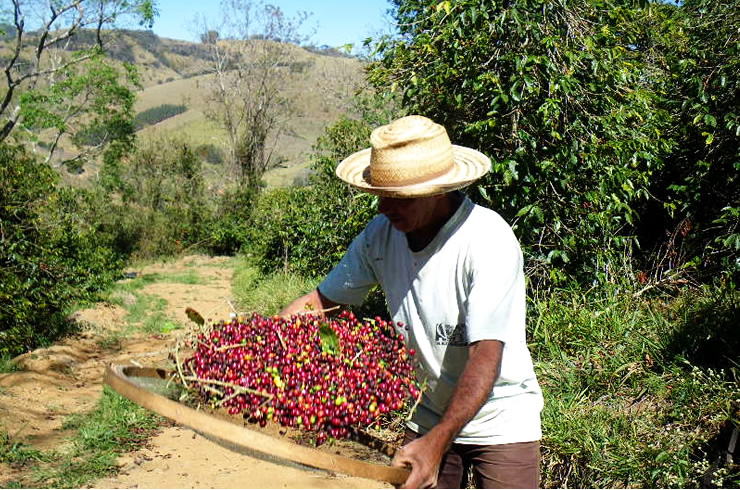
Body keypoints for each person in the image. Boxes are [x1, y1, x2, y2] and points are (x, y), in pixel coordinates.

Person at [279, 115, 543, 489]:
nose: (384, 207)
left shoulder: (487, 241)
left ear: (437, 190)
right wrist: (268, 340)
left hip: (499, 420)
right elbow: (322, 302)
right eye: (380, 195)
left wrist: (437, 443)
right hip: (428, 413)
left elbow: (485, 355)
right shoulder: (380, 237)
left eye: (399, 198)